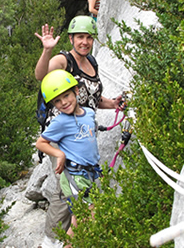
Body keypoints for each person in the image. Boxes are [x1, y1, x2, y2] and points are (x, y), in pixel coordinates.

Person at [34, 15, 123, 242]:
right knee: (65, 190)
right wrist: (47, 51)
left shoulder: (91, 62)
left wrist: (112, 103)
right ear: (72, 39)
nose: (85, 42)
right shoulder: (65, 61)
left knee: (76, 189)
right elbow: (42, 76)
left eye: (89, 37)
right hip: (62, 134)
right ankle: (51, 241)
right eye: (80, 37)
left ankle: (73, 237)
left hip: (83, 132)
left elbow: (92, 98)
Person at [36, 69, 102, 246]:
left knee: (80, 219)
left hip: (89, 173)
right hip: (75, 176)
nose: (64, 102)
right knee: (85, 217)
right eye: (57, 101)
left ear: (77, 91)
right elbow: (40, 143)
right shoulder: (60, 122)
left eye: (66, 96)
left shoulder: (88, 113)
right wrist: (60, 154)